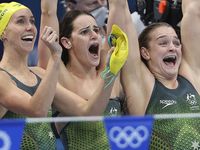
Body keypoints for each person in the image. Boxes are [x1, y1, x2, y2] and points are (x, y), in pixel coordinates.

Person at [108, 0, 200, 149]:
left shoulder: (193, 78)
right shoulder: (142, 87)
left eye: (176, 43)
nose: (172, 48)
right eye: (163, 43)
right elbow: (119, 13)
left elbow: (194, 10)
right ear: (145, 52)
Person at [38, 0, 127, 149]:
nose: (94, 35)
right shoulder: (57, 74)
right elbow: (48, 12)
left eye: (96, 30)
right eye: (85, 31)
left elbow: (118, 5)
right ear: (66, 42)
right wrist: (111, 73)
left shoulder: (109, 63)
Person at [0, 1, 62, 149]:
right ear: (3, 33)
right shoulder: (2, 78)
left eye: (32, 21)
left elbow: (83, 109)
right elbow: (36, 111)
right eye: (20, 21)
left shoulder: (40, 74)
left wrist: (109, 72)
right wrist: (55, 56)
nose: (30, 27)